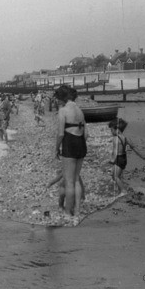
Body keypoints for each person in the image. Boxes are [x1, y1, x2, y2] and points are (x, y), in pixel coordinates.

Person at [54, 85, 87, 218]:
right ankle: (77, 211)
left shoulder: (63, 111)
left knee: (68, 181)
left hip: (69, 143)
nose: (56, 101)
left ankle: (68, 212)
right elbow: (86, 134)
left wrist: (56, 148)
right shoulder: (80, 110)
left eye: (57, 98)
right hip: (81, 144)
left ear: (62, 97)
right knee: (76, 180)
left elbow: (61, 133)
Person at [108, 118, 145, 194]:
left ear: (117, 129)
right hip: (123, 158)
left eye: (111, 130)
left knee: (115, 176)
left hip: (118, 159)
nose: (111, 132)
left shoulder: (115, 138)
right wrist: (142, 156)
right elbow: (134, 147)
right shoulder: (125, 138)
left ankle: (123, 190)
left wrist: (112, 160)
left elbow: (115, 151)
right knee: (115, 175)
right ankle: (119, 187)